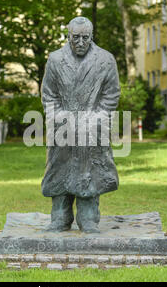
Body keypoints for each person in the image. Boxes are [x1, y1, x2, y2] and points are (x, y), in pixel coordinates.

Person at [41, 16, 120, 233]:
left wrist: (97, 118)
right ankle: (60, 217)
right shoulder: (55, 60)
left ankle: (88, 218)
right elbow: (49, 95)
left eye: (85, 37)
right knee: (59, 171)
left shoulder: (105, 60)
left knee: (91, 171)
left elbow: (111, 95)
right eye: (76, 37)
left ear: (92, 36)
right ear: (68, 36)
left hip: (92, 127)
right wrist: (60, 118)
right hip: (63, 128)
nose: (81, 42)